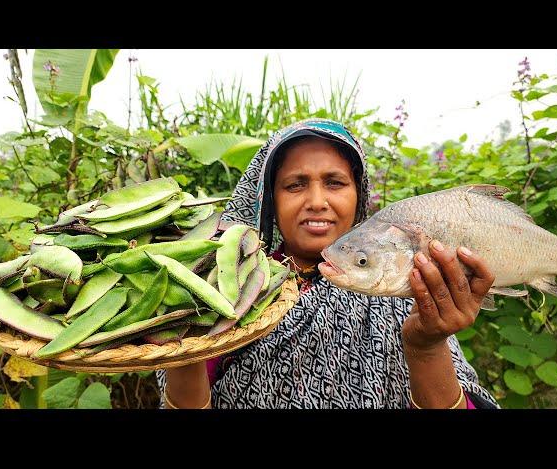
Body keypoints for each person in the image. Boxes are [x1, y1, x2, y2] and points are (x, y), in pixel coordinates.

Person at [155, 118, 499, 409]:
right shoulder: (231, 288)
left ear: (358, 194)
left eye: (335, 183)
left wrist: (426, 346)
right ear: (270, 200)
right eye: (295, 185)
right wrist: (186, 347)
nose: (317, 202)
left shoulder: (407, 286)